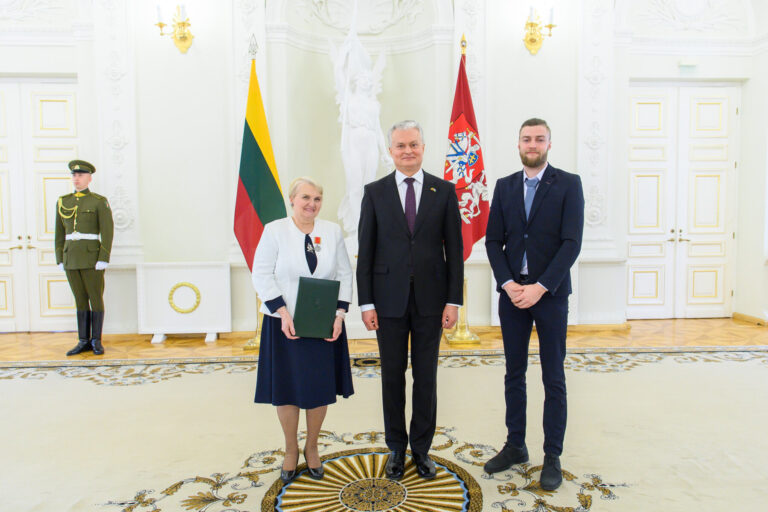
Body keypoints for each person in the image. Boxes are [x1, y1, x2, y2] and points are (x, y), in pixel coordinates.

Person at [357, 120, 463, 480]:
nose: (407, 151)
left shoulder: (443, 191)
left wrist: (453, 301)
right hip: (387, 302)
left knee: (426, 377)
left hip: (432, 301)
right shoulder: (374, 192)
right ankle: (396, 448)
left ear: (423, 148)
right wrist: (366, 303)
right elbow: (366, 252)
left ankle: (421, 449)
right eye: (400, 145)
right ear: (391, 151)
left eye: (413, 144)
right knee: (392, 376)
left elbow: (455, 251)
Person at [484, 118, 584, 490]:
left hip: (550, 295)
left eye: (539, 139)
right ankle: (516, 445)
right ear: (518, 143)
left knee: (553, 376)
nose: (532, 144)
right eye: (527, 138)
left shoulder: (569, 184)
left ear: (548, 145)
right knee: (514, 372)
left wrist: (540, 287)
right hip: (512, 295)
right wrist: (508, 283)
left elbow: (571, 243)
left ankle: (552, 455)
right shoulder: (505, 186)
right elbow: (493, 241)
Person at [251, 177, 354, 484]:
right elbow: (261, 274)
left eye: (317, 199)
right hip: (283, 323)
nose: (312, 204)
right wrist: (282, 311)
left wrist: (339, 315)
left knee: (318, 387)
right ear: (292, 200)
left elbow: (344, 274)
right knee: (287, 389)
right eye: (306, 197)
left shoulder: (332, 231)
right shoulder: (275, 231)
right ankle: (290, 449)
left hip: (322, 322)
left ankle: (312, 447)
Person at [55, 159, 114, 357]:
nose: (76, 178)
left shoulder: (98, 201)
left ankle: (96, 340)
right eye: (74, 175)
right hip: (71, 257)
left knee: (95, 298)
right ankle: (83, 340)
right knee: (80, 300)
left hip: (91, 257)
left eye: (80, 175)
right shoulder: (63, 201)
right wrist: (60, 258)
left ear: (89, 178)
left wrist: (103, 256)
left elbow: (107, 231)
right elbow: (59, 233)